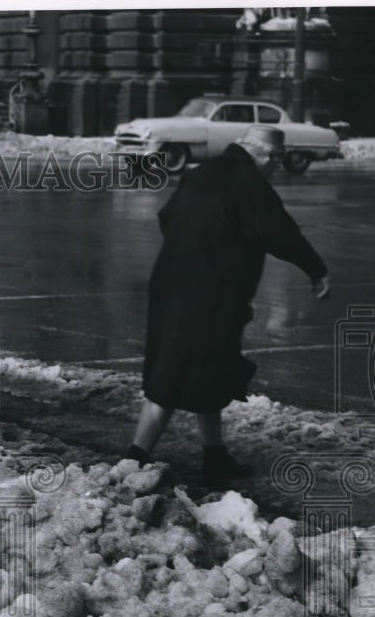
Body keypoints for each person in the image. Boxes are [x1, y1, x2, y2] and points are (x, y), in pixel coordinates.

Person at [126, 125, 331, 488]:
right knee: (172, 373)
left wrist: (195, 249)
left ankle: (215, 457)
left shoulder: (202, 173)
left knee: (211, 366)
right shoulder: (247, 181)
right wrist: (316, 269)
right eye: (275, 157)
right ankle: (134, 460)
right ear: (257, 150)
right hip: (210, 293)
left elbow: (167, 218)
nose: (277, 165)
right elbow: (278, 232)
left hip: (173, 282)